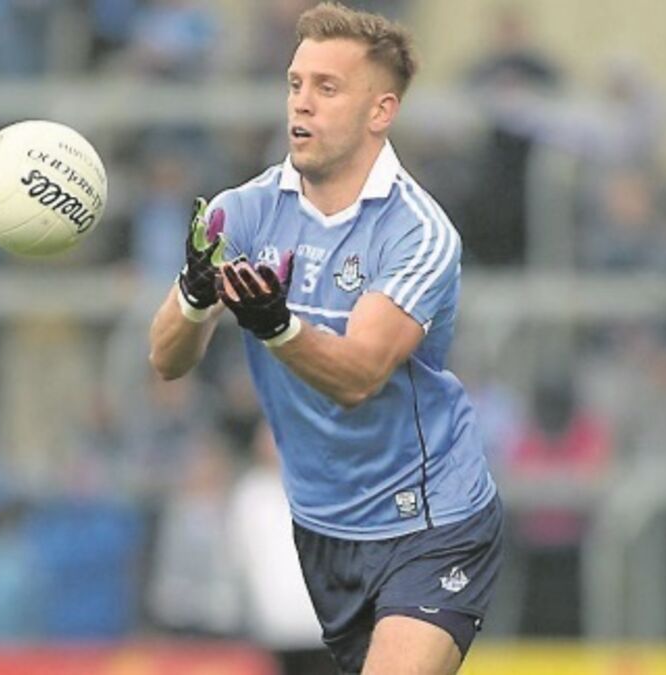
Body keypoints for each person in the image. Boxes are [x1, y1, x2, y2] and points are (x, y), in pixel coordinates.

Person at [147, 4, 502, 673]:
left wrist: (276, 326)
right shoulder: (245, 210)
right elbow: (166, 359)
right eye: (295, 84)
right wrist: (194, 295)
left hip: (430, 520)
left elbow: (358, 374)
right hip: (323, 527)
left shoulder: (418, 233)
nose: (301, 103)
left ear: (380, 111)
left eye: (327, 88)